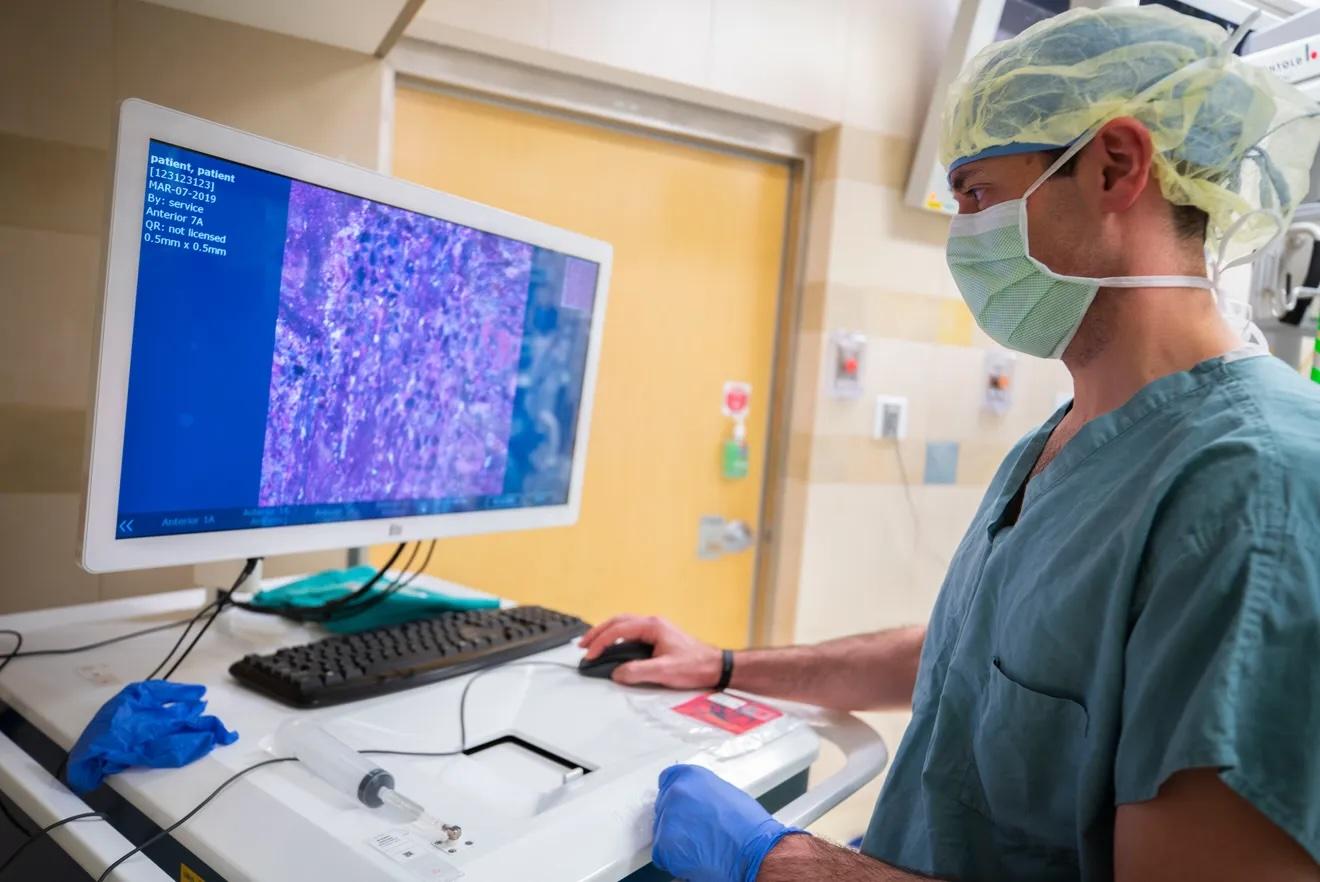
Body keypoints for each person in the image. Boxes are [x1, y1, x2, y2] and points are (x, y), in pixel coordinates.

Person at [579, 7, 1320, 881]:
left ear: (1116, 166)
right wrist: (725, 663)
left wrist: (782, 863)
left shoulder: (1256, 492)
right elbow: (977, 654)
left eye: (976, 194)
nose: (961, 234)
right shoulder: (1065, 436)